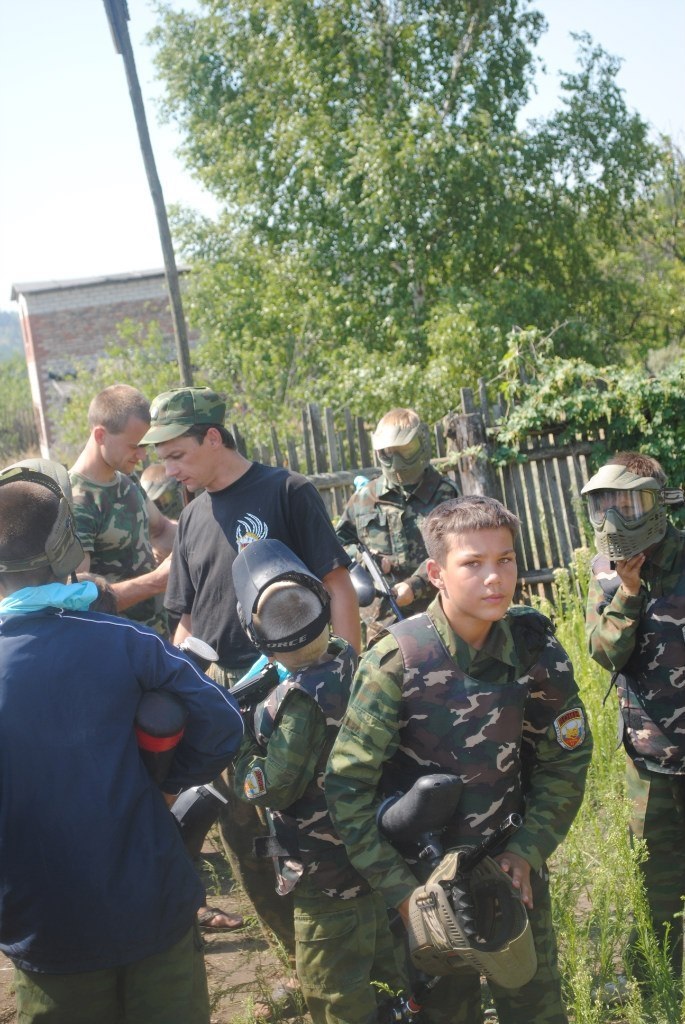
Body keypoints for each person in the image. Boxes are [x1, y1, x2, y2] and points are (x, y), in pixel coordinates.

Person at [326, 495, 592, 1024]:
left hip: (509, 872)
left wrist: (527, 851)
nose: (495, 578)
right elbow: (346, 787)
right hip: (424, 885)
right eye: (472, 563)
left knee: (536, 1008)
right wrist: (404, 896)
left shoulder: (533, 647)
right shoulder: (397, 660)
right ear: (436, 574)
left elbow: (566, 758)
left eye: (505, 559)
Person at [0, 464, 244, 1024]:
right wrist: (160, 781)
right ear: (66, 548)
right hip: (151, 906)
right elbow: (222, 726)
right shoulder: (128, 642)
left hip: (45, 928)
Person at [141, 385, 360, 956]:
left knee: (321, 827)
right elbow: (186, 620)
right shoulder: (191, 518)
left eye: (177, 454)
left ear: (213, 437)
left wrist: (345, 678)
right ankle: (295, 958)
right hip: (223, 702)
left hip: (298, 691)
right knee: (242, 833)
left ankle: (358, 957)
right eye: (163, 458)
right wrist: (185, 689)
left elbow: (336, 586)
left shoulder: (287, 491)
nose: (169, 469)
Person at [230, 539, 409, 1023]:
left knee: (332, 990)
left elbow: (273, 786)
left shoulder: (298, 700)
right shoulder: (346, 656)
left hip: (323, 871)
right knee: (385, 966)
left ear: (258, 632)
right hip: (369, 851)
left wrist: (240, 748)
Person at [583, 452, 685, 982]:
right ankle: (659, 990)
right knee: (656, 890)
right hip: (649, 763)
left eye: (627, 504)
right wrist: (627, 593)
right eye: (604, 505)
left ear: (659, 503)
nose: (614, 518)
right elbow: (603, 652)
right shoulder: (605, 574)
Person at [335, 407, 459, 642]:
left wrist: (415, 586)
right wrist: (366, 559)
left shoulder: (445, 495)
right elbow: (337, 546)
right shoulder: (365, 499)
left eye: (405, 450)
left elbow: (454, 551)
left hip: (439, 618)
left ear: (421, 444)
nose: (397, 461)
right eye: (388, 453)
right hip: (382, 625)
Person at [69, 384, 177, 634]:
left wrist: (207, 536)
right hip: (115, 644)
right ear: (100, 436)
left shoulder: (127, 480)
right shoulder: (77, 502)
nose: (142, 455)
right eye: (134, 446)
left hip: (154, 637)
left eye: (144, 446)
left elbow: (161, 530)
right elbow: (80, 600)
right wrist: (155, 582)